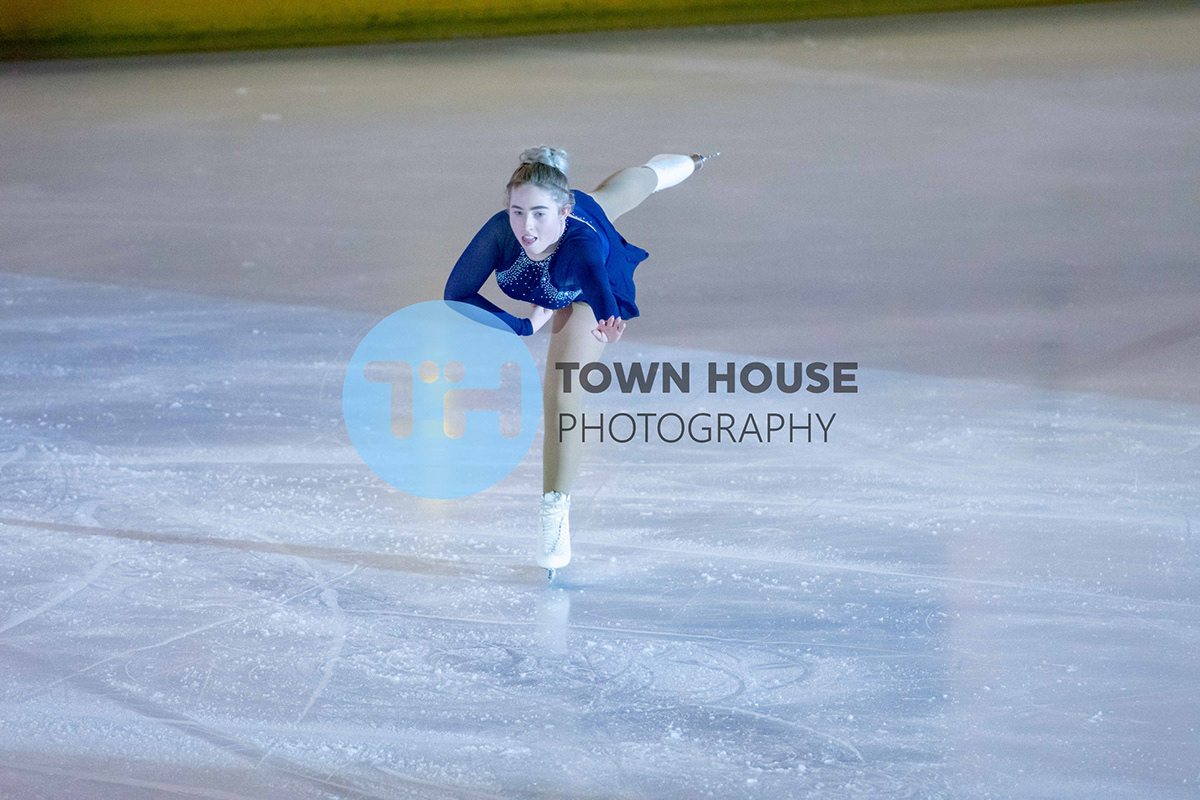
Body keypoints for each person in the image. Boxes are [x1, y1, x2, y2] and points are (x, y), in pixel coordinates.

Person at [444, 145, 716, 579]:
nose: (525, 227)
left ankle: (556, 508)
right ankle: (667, 166)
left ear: (563, 211)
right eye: (517, 211)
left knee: (563, 390)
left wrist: (609, 318)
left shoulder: (582, 244)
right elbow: (456, 295)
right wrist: (521, 327)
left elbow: (599, 286)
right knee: (610, 194)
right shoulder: (502, 232)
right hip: (552, 274)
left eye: (538, 213)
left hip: (585, 288)